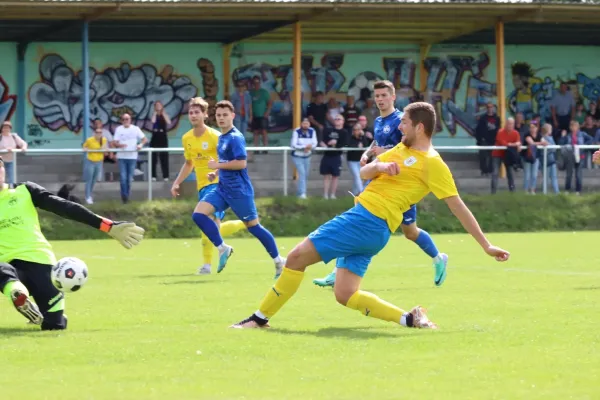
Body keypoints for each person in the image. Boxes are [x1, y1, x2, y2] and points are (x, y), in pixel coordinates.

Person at [231, 102, 510, 330]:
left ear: (420, 127)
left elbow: (457, 205)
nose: (399, 126)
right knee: (345, 295)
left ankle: (258, 319)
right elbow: (364, 172)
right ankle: (410, 319)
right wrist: (380, 166)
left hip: (365, 220)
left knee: (294, 258)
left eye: (404, 123)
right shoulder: (401, 148)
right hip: (374, 230)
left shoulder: (433, 164)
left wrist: (486, 245)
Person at [314, 80, 447, 288]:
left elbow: (409, 149)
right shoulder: (378, 121)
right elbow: (376, 142)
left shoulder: (402, 120)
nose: (380, 100)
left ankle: (439, 258)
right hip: (381, 182)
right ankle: (336, 273)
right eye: (377, 96)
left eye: (384, 95)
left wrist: (382, 154)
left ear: (393, 97)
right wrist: (368, 152)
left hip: (400, 185)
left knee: (410, 232)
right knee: (357, 221)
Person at [0, 156, 145, 330]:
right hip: (5, 267)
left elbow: (65, 207)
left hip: (40, 262)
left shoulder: (25, 190)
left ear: (3, 170)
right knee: (5, 273)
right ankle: (18, 293)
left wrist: (108, 226)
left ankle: (32, 307)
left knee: (55, 324)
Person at [188, 100, 286, 278]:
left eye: (225, 115)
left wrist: (217, 164)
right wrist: (216, 172)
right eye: (218, 115)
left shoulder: (235, 137)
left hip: (239, 191)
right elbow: (228, 161)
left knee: (253, 227)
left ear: (232, 116)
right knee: (198, 215)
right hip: (223, 188)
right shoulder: (222, 138)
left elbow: (241, 163)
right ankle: (222, 248)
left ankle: (279, 260)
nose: (221, 118)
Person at [171, 97, 246, 275]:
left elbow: (227, 160)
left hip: (218, 185)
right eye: (191, 112)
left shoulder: (215, 136)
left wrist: (217, 173)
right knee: (212, 228)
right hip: (202, 186)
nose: (194, 115)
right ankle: (246, 224)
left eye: (197, 112)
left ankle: (207, 265)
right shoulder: (186, 138)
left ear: (205, 115)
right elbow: (189, 163)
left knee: (205, 223)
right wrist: (177, 182)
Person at [112, 113, 148, 203]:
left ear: (130, 120)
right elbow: (114, 142)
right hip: (122, 157)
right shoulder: (119, 129)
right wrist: (120, 145)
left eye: (127, 119)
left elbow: (144, 139)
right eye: (123, 119)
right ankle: (124, 197)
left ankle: (126, 196)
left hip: (132, 157)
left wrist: (140, 145)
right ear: (121, 121)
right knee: (123, 178)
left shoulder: (135, 129)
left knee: (129, 178)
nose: (125, 121)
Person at [290, 118, 318, 199]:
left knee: (305, 174)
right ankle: (303, 193)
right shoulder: (296, 131)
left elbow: (315, 143)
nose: (305, 125)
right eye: (304, 123)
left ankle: (299, 193)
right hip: (297, 156)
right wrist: (304, 147)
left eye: (307, 123)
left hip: (307, 156)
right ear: (301, 124)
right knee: (302, 173)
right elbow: (293, 145)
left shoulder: (312, 131)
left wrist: (309, 147)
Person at [82, 127, 108, 204]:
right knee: (89, 179)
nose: (99, 134)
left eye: (100, 132)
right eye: (97, 132)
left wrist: (106, 149)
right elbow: (84, 146)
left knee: (94, 179)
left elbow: (105, 148)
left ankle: (89, 195)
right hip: (90, 161)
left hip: (99, 162)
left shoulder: (104, 140)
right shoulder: (90, 140)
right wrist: (85, 149)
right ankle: (87, 197)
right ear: (94, 133)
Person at [0, 121, 27, 186]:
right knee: (1, 179)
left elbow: (23, 143)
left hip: (10, 161)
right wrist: (5, 150)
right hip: (0, 161)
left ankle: (11, 191)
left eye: (8, 128)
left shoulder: (14, 136)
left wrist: (23, 147)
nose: (6, 129)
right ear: (2, 129)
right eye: (4, 127)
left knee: (11, 179)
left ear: (10, 129)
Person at [150, 101, 171, 182]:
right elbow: (152, 121)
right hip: (155, 136)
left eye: (159, 105)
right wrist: (155, 113)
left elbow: (169, 122)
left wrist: (163, 113)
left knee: (164, 157)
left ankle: (166, 176)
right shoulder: (154, 114)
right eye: (157, 105)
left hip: (163, 136)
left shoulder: (164, 114)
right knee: (153, 157)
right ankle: (153, 176)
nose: (158, 106)